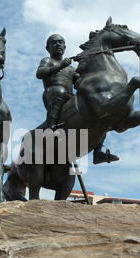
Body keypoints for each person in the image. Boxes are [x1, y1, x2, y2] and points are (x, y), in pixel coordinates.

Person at [36, 34, 118, 164]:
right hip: (53, 93)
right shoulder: (47, 61)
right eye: (54, 43)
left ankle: (98, 153)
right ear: (48, 48)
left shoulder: (70, 68)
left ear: (64, 46)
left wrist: (84, 66)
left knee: (97, 112)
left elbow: (78, 82)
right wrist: (60, 66)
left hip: (69, 97)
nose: (58, 45)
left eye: (60, 42)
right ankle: (50, 128)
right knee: (60, 91)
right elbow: (40, 73)